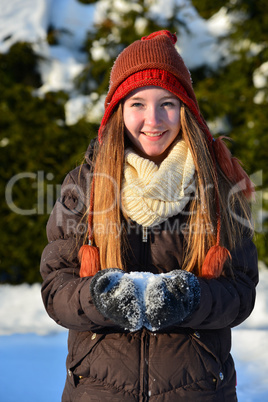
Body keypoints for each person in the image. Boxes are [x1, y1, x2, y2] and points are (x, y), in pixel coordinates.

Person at [40, 30, 258, 402]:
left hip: (198, 392)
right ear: (117, 111)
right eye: (137, 103)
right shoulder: (86, 185)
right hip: (99, 393)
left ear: (185, 110)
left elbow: (240, 291)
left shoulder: (219, 186)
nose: (152, 119)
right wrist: (98, 298)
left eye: (167, 103)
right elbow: (55, 286)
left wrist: (191, 298)